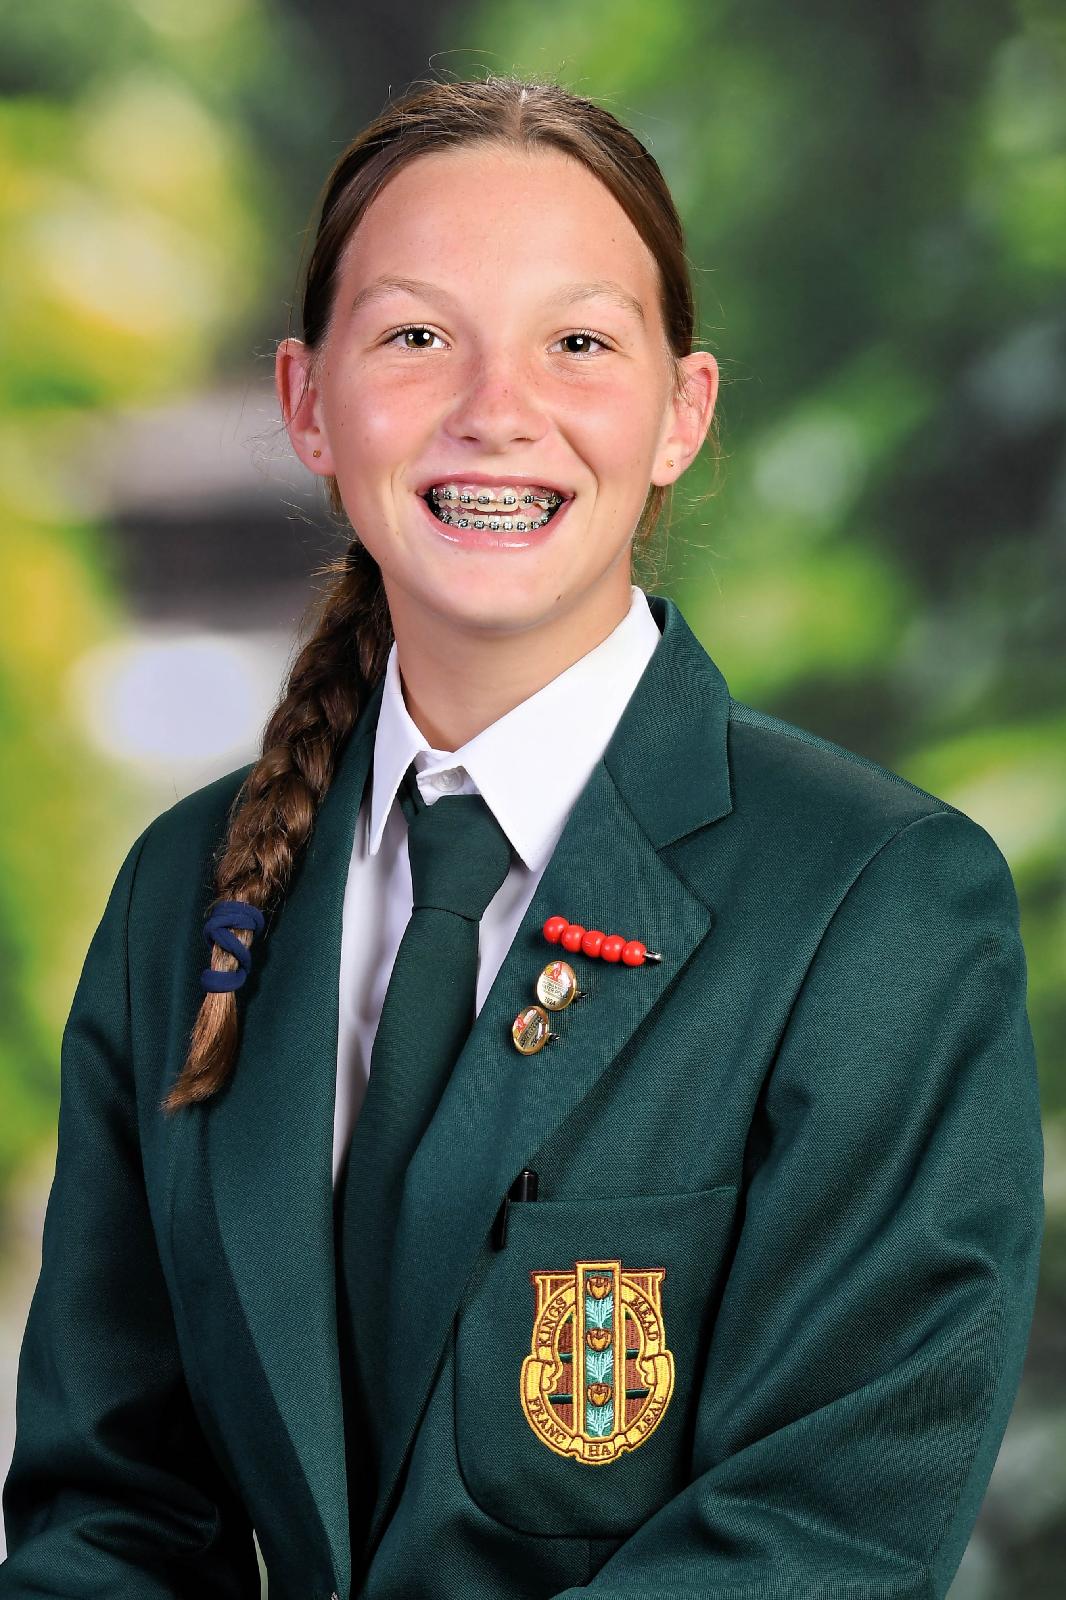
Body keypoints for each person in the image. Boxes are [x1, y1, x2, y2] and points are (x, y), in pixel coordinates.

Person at [0, 73, 1044, 1600]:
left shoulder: (874, 905)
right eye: (416, 337)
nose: (496, 408)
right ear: (306, 400)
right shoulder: (189, 890)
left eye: (577, 343)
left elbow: (823, 1532)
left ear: (681, 411)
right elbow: (108, 1508)